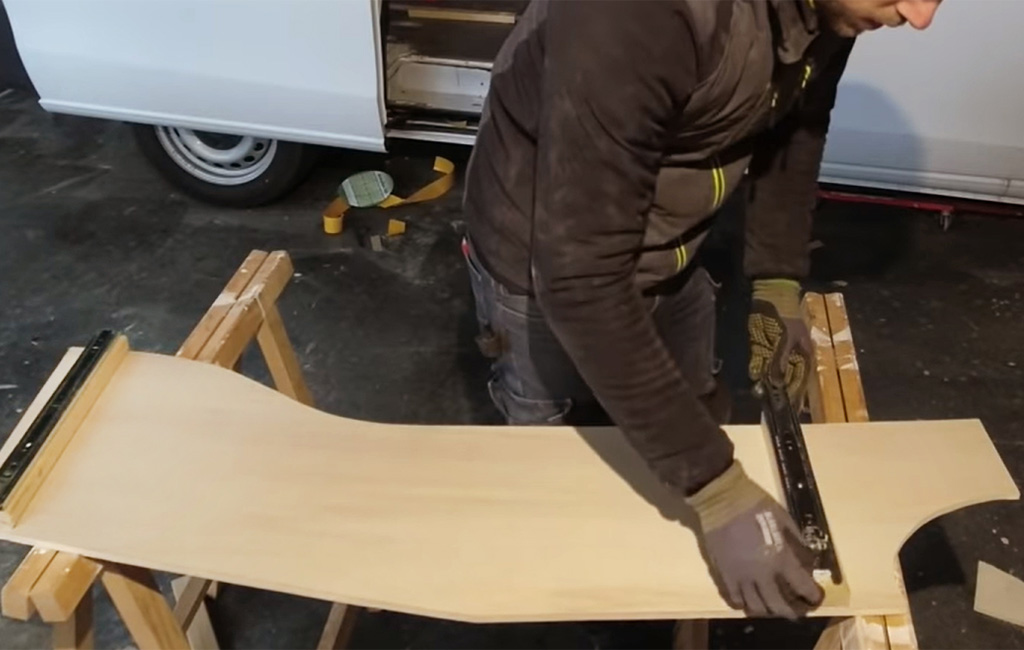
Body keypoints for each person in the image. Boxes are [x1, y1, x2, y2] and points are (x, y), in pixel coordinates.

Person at [462, 0, 941, 620]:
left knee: (688, 413)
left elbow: (796, 123)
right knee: (563, 478)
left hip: (673, 241)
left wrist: (776, 282)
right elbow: (579, 277)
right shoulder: (638, 15)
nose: (920, 15)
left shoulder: (833, 8)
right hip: (540, 260)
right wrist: (717, 491)